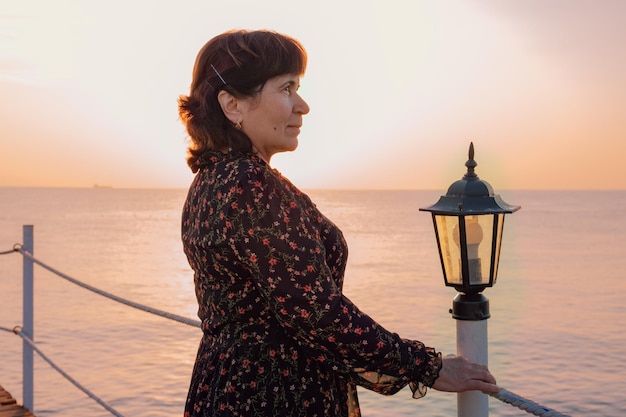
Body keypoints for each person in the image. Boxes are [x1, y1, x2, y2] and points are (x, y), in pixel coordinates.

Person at [178, 29, 498, 417]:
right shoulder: (249, 183)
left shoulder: (210, 180)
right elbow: (317, 313)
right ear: (232, 105)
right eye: (286, 89)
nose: (303, 106)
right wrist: (429, 367)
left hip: (223, 388)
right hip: (276, 398)